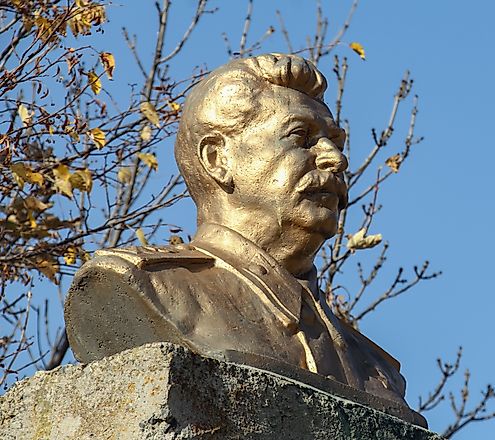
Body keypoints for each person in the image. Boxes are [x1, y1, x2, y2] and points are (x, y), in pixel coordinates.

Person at [65, 53, 424, 425]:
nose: (335, 159)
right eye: (301, 137)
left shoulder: (376, 367)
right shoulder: (141, 285)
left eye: (336, 141)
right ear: (218, 158)